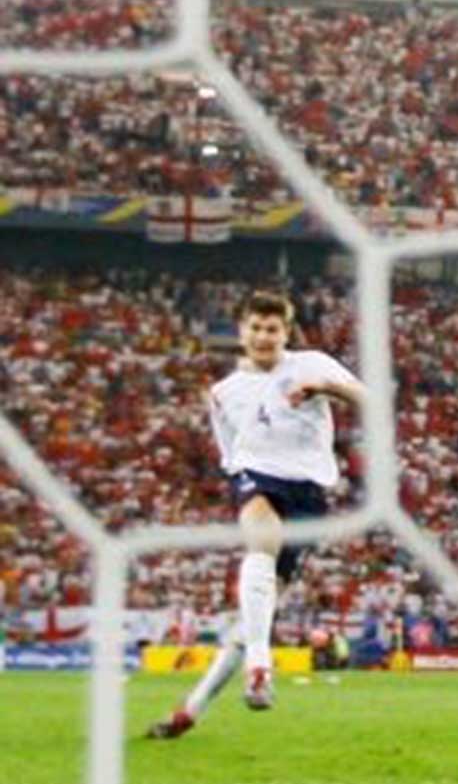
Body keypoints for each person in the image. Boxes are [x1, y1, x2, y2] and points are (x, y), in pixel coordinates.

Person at [147, 291, 363, 739]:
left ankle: (191, 709)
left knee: (252, 619)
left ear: (286, 333)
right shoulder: (223, 394)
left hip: (309, 492)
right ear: (242, 331)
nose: (264, 336)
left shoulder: (312, 364)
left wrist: (327, 389)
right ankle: (261, 667)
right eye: (256, 328)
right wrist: (242, 477)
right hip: (256, 479)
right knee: (260, 542)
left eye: (273, 329)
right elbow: (231, 453)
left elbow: (370, 399)